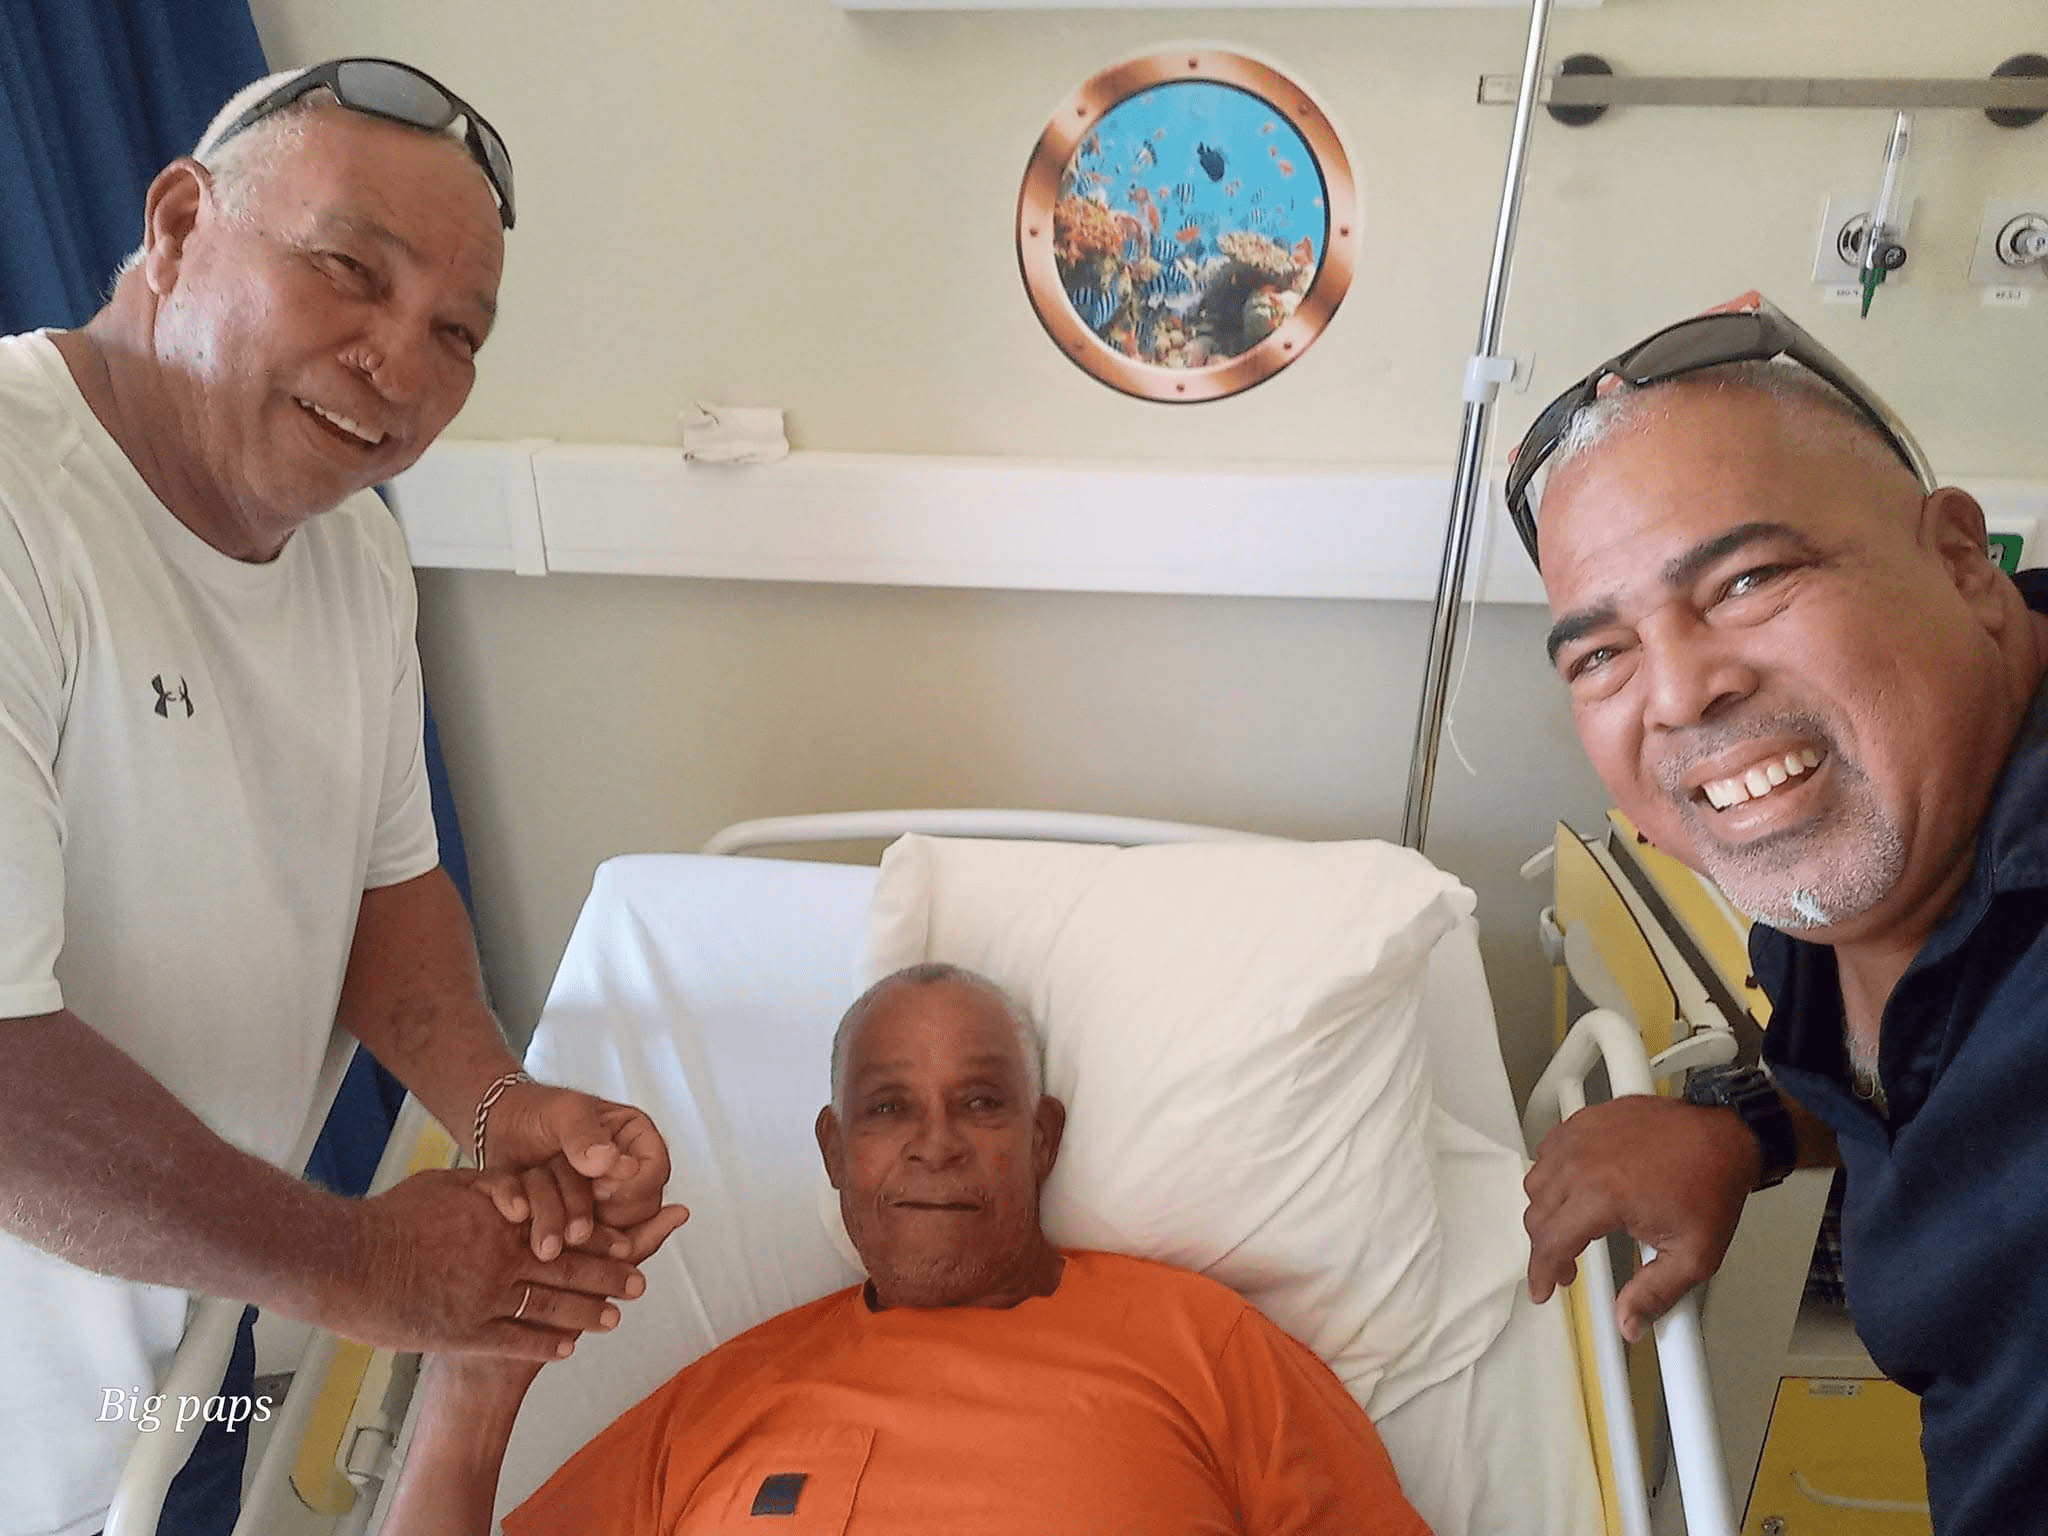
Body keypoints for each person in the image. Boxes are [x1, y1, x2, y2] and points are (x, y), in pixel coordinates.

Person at [0, 60, 686, 1536]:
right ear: (177, 225)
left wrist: (494, 1104)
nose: (400, 363)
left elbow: (385, 890)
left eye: (457, 333)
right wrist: (360, 1267)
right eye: (348, 271)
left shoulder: (353, 554)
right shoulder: (18, 507)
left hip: (174, 1375)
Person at [1510, 294, 2048, 1533]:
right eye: (1599, 656)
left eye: (1747, 579)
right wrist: (1750, 1123)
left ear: (1959, 561)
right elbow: (1923, 1055)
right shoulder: (1870, 843)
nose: (1679, 693)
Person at [383, 962, 1433, 1534]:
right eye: (888, 1108)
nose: (935, 1144)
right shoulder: (719, 1400)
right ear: (835, 1153)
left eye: (980, 1102)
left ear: (1042, 1140)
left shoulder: (1202, 1345)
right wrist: (474, 1394)